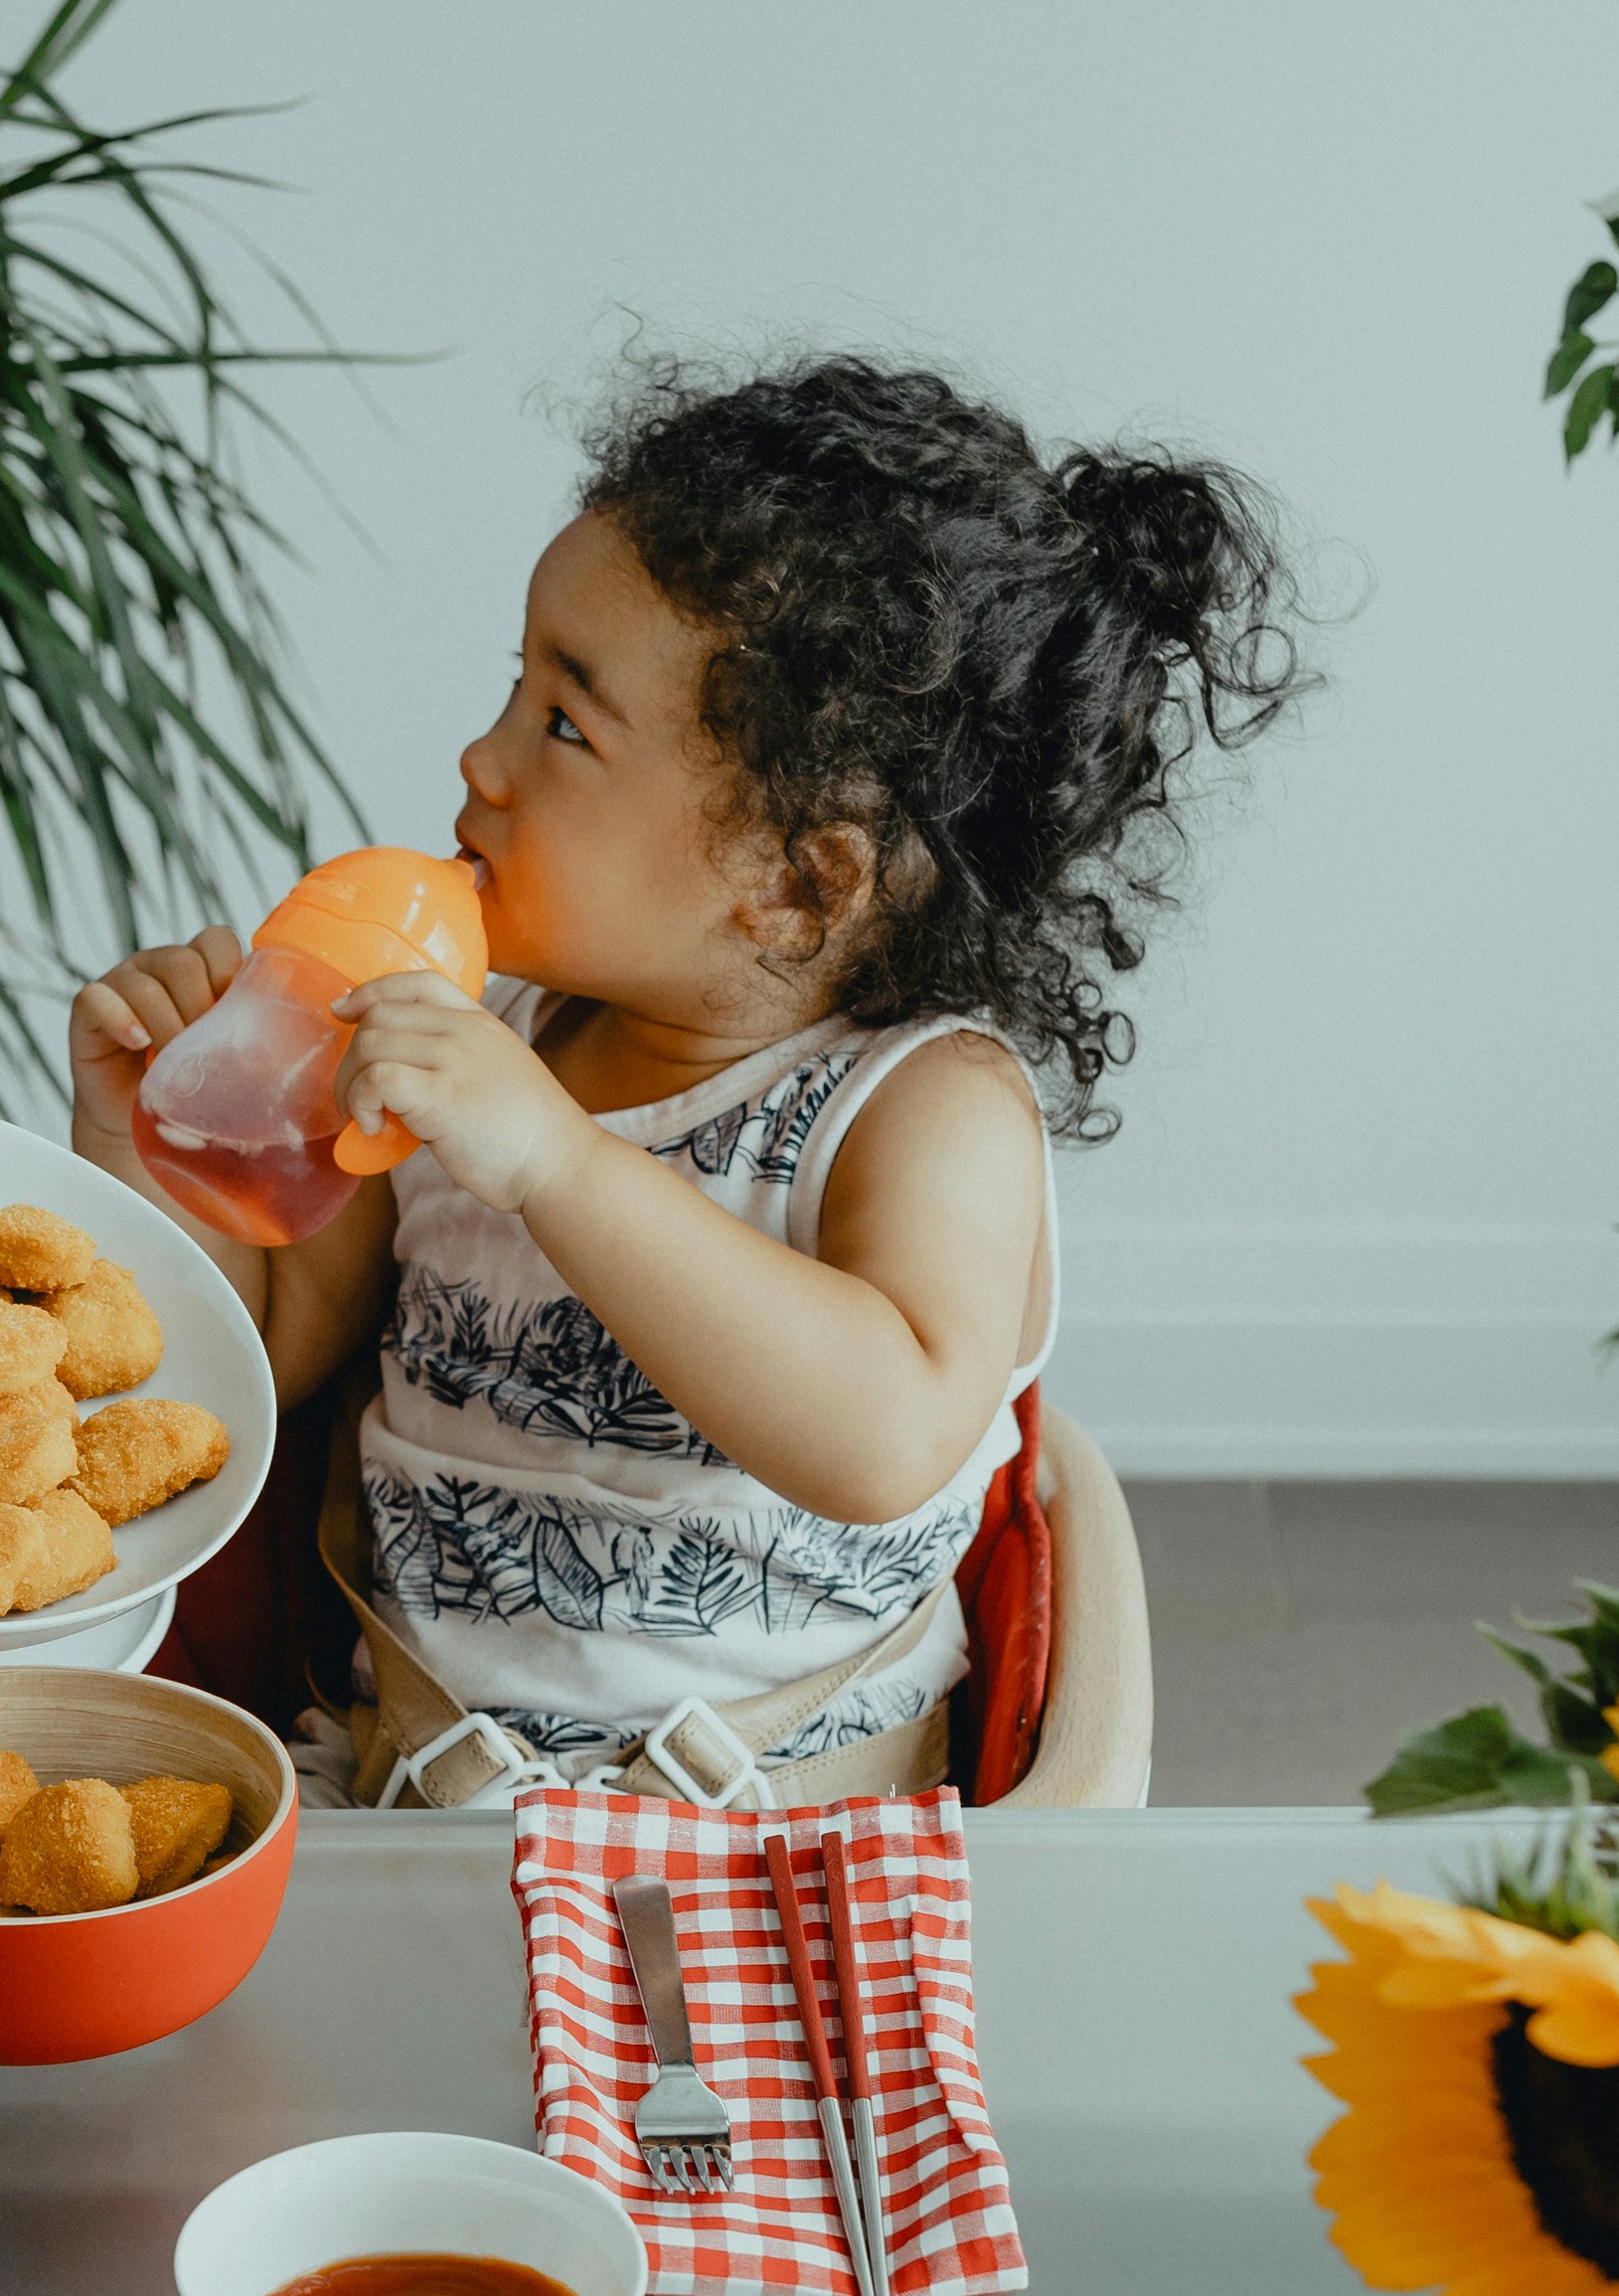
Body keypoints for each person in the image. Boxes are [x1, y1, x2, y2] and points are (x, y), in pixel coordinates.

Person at [70, 357, 1302, 1806]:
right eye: (512, 689)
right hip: (415, 1778)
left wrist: (553, 1164)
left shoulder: (921, 1104)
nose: (480, 758)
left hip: (780, 1828)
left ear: (797, 881)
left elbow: (892, 1431)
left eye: (566, 726)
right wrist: (148, 1141)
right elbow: (264, 1353)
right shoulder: (472, 1040)